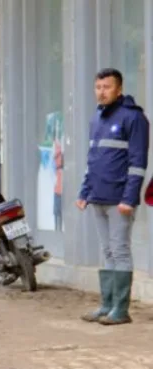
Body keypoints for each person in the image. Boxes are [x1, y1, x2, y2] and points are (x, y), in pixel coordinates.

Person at [78, 68, 149, 326]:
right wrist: (84, 192)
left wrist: (129, 199)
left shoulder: (134, 118)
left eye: (107, 87)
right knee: (106, 250)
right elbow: (92, 159)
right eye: (98, 87)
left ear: (119, 89)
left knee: (119, 250)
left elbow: (138, 163)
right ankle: (107, 304)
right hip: (98, 196)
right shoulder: (97, 118)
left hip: (120, 199)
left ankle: (121, 309)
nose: (101, 92)